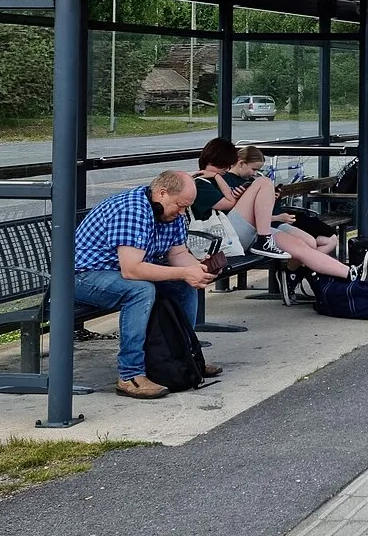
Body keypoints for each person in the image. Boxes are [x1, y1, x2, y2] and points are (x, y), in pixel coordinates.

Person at [74, 168, 217, 399]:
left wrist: (196, 270)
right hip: (82, 277)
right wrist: (183, 272)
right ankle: (130, 375)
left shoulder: (171, 213)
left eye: (186, 207)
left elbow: (178, 253)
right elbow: (132, 270)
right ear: (162, 193)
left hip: (116, 274)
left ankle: (184, 358)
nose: (182, 212)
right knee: (140, 290)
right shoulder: (133, 210)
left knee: (185, 284)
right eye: (180, 205)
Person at [193, 138, 350, 282]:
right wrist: (222, 181)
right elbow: (229, 204)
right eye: (226, 165)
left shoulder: (223, 178)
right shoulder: (202, 182)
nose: (227, 169)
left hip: (250, 230)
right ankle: (264, 240)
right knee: (264, 182)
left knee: (300, 247)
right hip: (228, 237)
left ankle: (350, 273)